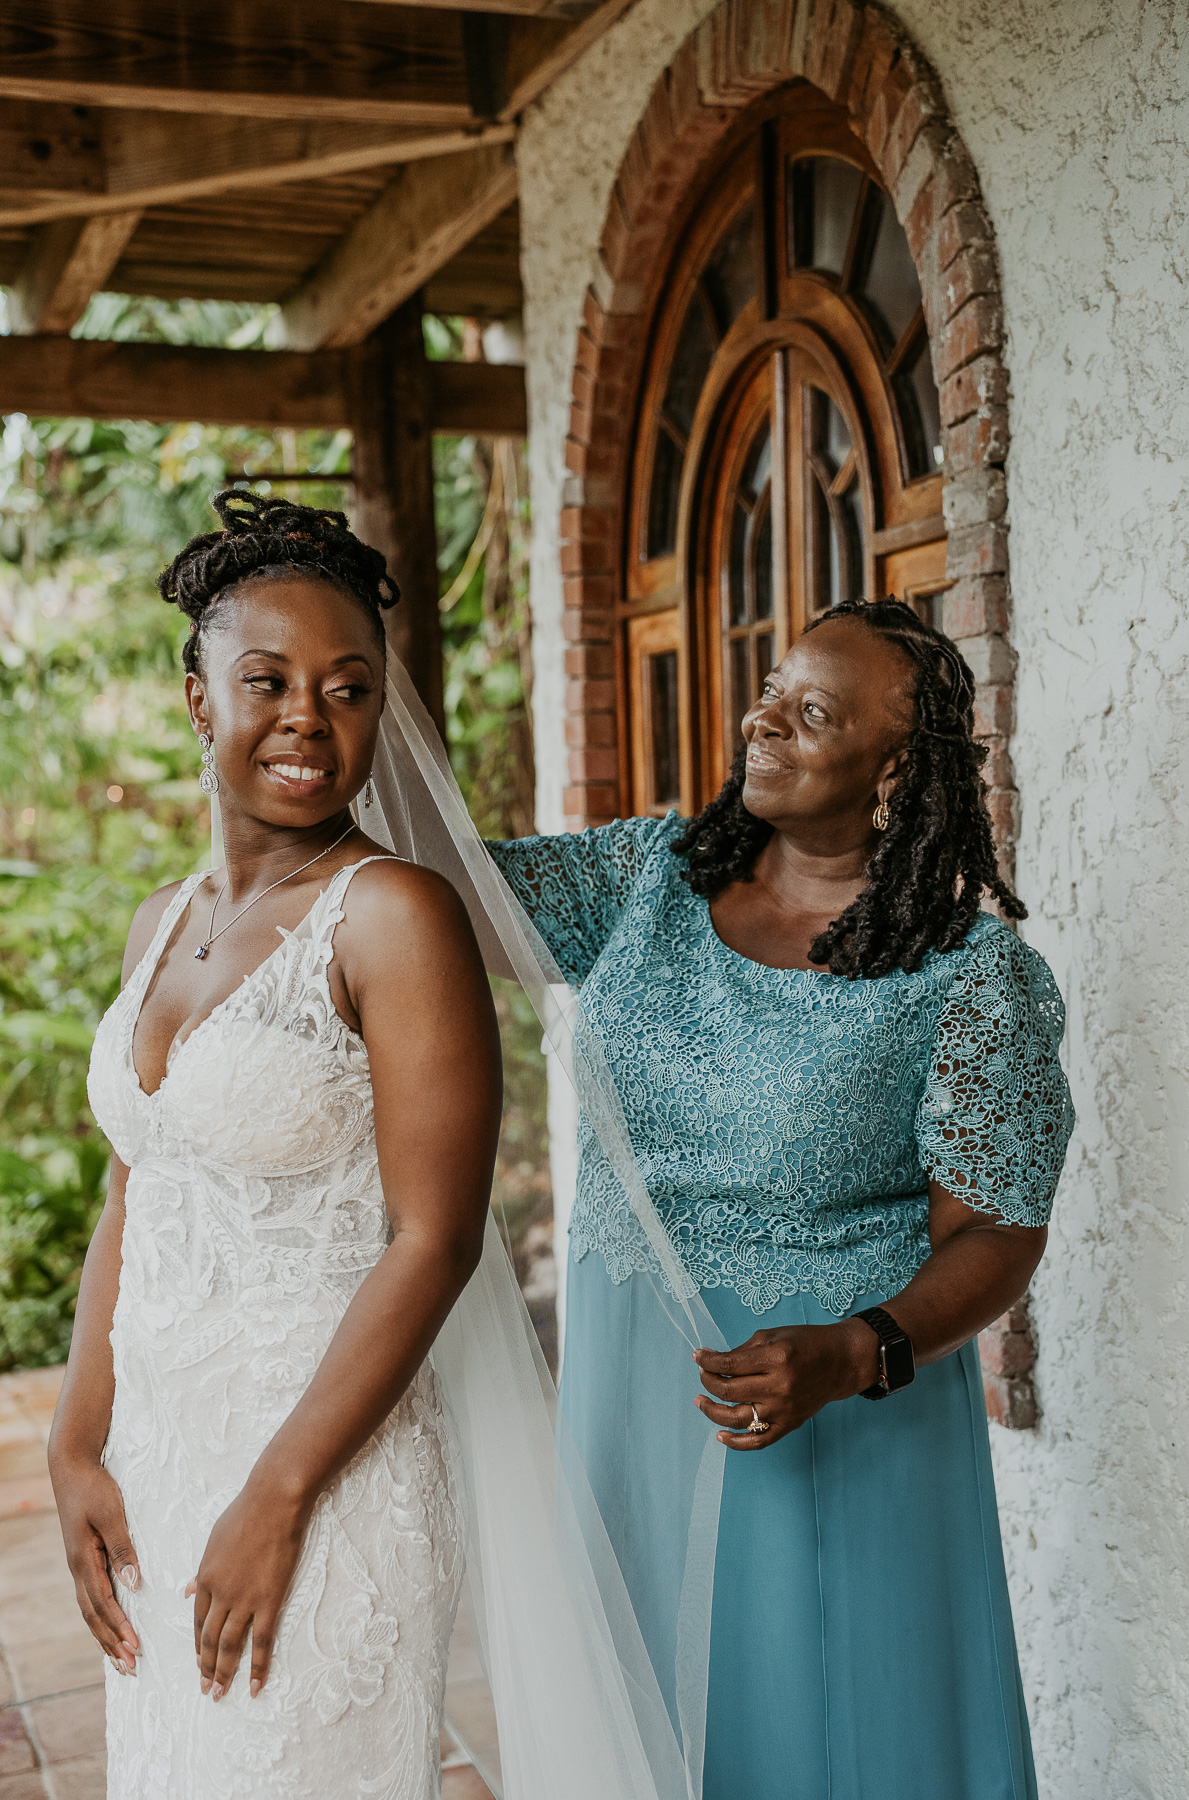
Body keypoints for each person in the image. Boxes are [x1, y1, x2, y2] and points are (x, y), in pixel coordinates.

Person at [46, 495, 693, 1800]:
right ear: (196, 700)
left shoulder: (393, 916)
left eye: (347, 689)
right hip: (162, 1459)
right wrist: (75, 1443)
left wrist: (278, 1494)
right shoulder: (156, 924)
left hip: (323, 1472)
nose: (307, 718)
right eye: (268, 680)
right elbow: (141, 1186)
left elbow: (436, 1238)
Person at [487, 598, 1075, 1800]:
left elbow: (999, 1233)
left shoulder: (971, 977)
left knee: (832, 1731)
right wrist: (342, 706)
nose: (762, 719)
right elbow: (448, 890)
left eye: (811, 712)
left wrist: (860, 1353)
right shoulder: (642, 879)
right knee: (642, 1713)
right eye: (772, 687)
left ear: (896, 767)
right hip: (630, 1386)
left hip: (833, 1409)